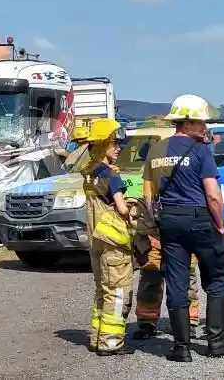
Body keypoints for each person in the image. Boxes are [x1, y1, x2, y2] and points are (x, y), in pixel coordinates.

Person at [142, 94, 224, 362]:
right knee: (219, 274)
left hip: (170, 221)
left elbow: (149, 195)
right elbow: (212, 195)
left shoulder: (155, 150)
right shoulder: (200, 152)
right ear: (185, 123)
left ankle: (181, 347)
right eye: (200, 122)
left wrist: (157, 224)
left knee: (176, 280)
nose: (204, 127)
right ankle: (216, 341)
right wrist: (220, 225)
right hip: (200, 219)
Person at [82, 118, 135, 356]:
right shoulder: (112, 177)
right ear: (103, 146)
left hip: (96, 241)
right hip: (113, 244)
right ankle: (111, 342)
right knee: (117, 291)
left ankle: (97, 337)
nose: (118, 148)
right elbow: (122, 209)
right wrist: (134, 210)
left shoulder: (89, 173)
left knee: (102, 290)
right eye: (114, 144)